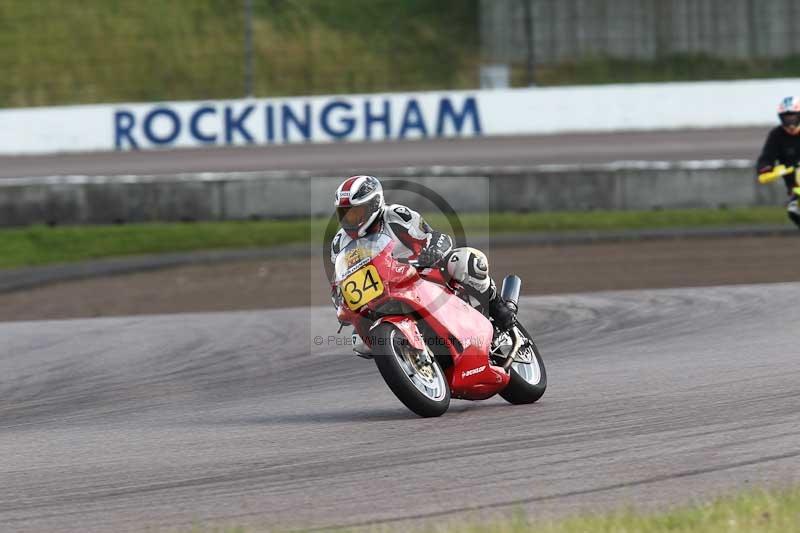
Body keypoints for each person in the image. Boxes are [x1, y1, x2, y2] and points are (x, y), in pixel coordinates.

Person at [330, 175, 517, 335]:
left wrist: (431, 251)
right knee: (359, 341)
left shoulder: (397, 216)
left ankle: (498, 307)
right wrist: (341, 303)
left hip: (417, 274)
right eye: (344, 214)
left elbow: (434, 237)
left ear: (374, 204)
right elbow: (339, 282)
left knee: (465, 261)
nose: (349, 220)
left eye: (355, 213)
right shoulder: (340, 243)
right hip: (379, 295)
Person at [756, 96, 800, 228]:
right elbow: (766, 157)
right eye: (786, 118)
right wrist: (765, 169)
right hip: (795, 188)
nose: (790, 122)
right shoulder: (776, 135)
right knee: (793, 212)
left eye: (793, 117)